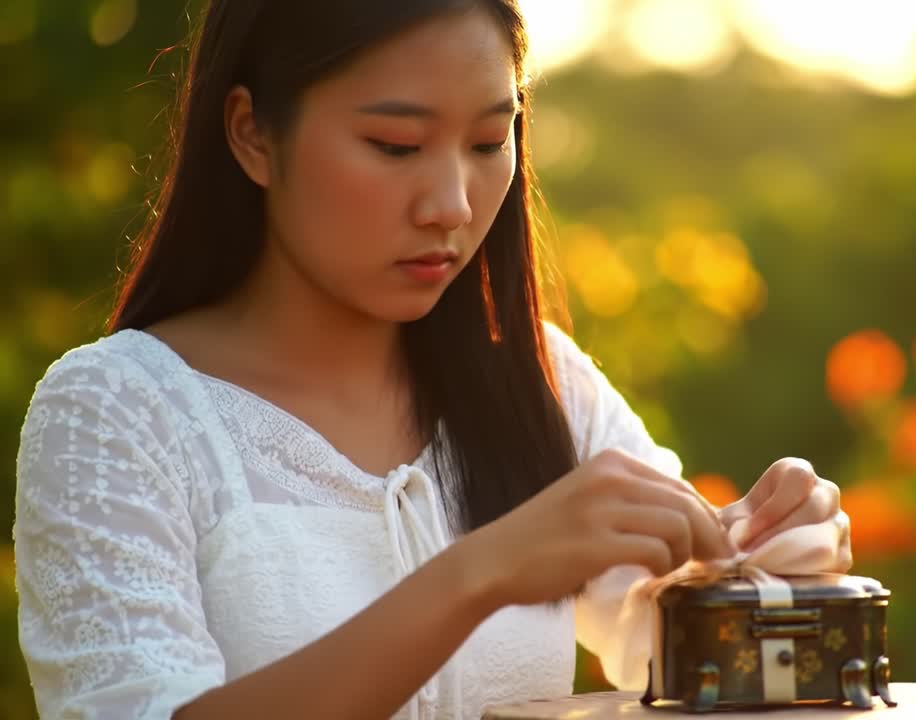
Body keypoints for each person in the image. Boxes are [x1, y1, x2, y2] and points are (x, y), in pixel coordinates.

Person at [12, 1, 852, 718]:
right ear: (251, 134)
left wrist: (763, 572)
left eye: (490, 143)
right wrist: (479, 574)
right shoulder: (115, 416)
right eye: (395, 145)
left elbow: (657, 632)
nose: (451, 205)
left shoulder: (544, 388)